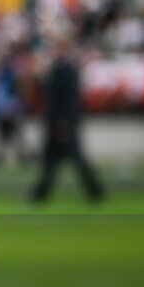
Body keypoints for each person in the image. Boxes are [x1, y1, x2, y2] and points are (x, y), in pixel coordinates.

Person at [28, 36, 104, 203]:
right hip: (58, 121)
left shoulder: (67, 71)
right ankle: (42, 193)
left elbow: (68, 100)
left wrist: (64, 122)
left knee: (71, 158)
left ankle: (94, 190)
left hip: (63, 123)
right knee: (53, 160)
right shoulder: (57, 70)